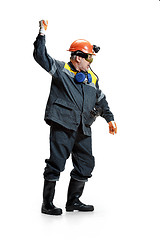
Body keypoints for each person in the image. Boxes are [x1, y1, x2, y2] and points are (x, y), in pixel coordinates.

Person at [33, 20, 117, 216]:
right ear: (77, 58)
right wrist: (42, 33)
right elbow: (40, 56)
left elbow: (101, 99)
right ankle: (47, 204)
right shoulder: (61, 70)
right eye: (89, 58)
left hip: (83, 127)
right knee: (56, 163)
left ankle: (73, 201)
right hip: (63, 124)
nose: (90, 62)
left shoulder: (92, 78)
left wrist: (109, 118)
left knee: (86, 163)